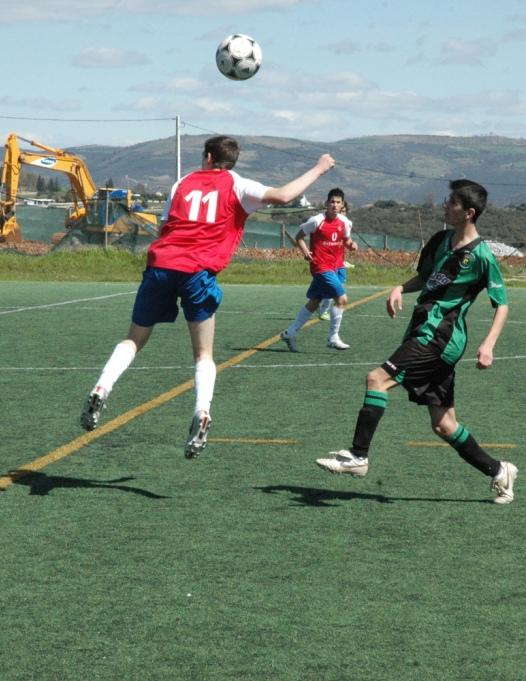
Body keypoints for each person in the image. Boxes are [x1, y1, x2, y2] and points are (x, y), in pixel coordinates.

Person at [80, 135, 336, 458]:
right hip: (198, 271)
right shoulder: (237, 184)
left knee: (134, 339)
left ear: (208, 157)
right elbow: (284, 196)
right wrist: (319, 167)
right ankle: (202, 413)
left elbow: (166, 228)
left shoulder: (182, 183)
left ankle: (102, 387)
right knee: (203, 354)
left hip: (161, 264)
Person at [315, 179, 519, 504]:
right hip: (423, 331)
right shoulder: (441, 240)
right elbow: (425, 279)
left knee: (376, 380)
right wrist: (399, 287)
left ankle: (358, 456)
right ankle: (499, 471)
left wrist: (488, 345)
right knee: (444, 424)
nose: (444, 205)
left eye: (451, 202)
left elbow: (502, 303)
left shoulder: (482, 256)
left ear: (468, 212)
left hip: (440, 338)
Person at [280, 188, 357, 351]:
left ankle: (290, 333)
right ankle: (333, 337)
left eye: (338, 202)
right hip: (320, 267)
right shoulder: (316, 221)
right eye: (332, 202)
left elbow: (347, 240)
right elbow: (299, 236)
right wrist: (305, 251)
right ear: (326, 203)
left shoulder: (345, 222)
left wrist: (352, 245)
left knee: (314, 302)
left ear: (342, 204)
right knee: (342, 299)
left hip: (336, 267)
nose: (334, 205)